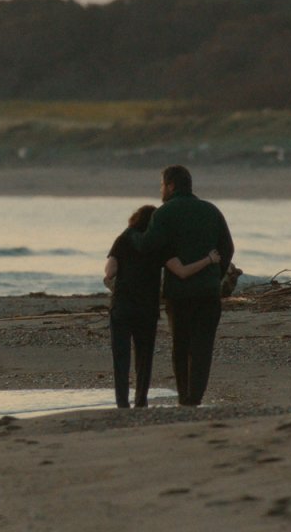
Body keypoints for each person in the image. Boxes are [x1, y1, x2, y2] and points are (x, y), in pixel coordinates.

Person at [131, 165, 234, 407]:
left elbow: (149, 246)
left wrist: (131, 235)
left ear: (171, 186)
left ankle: (184, 396)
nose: (161, 190)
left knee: (181, 346)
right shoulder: (211, 211)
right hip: (208, 292)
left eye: (162, 185)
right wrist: (214, 275)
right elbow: (227, 248)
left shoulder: (164, 213)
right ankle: (195, 398)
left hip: (179, 293)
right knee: (202, 347)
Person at [104, 205, 222, 409]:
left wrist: (114, 276)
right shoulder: (159, 244)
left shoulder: (124, 238)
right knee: (144, 357)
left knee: (121, 358)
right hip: (146, 309)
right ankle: (141, 400)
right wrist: (208, 260)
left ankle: (122, 403)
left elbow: (110, 271)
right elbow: (182, 272)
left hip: (122, 306)